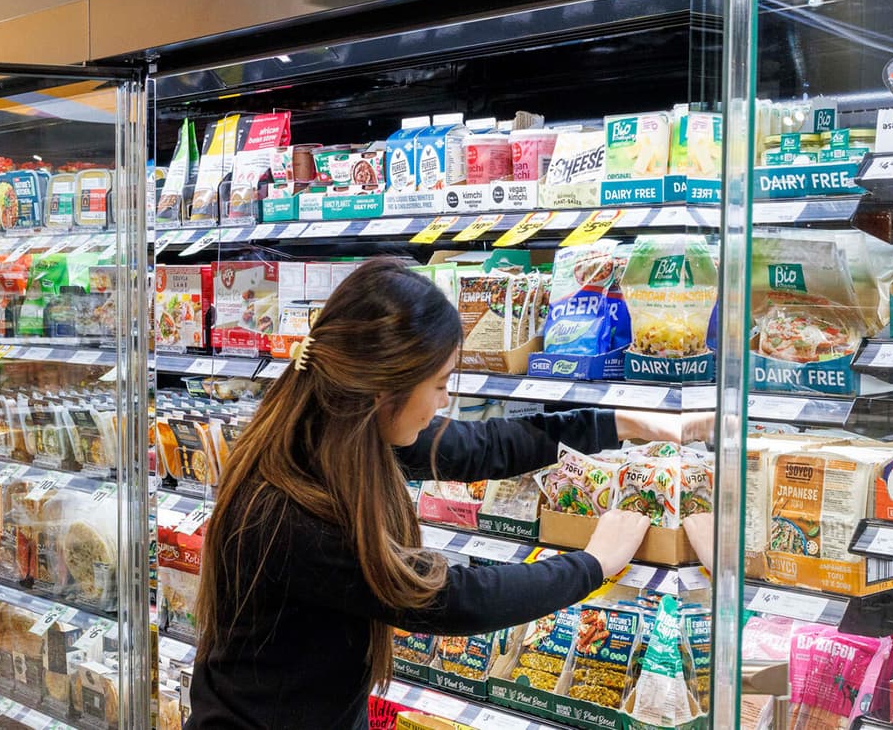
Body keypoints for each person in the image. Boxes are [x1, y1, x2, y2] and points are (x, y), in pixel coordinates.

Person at [187, 257, 692, 729]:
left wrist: (622, 422)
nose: (446, 400)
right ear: (386, 389)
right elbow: (450, 601)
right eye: (440, 383)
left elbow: (481, 446)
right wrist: (593, 564)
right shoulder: (288, 509)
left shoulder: (337, 430)